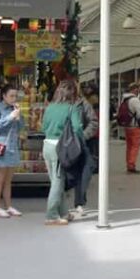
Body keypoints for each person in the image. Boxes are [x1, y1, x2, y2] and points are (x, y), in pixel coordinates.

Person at [41, 80, 84, 226]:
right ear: (72, 93)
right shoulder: (71, 108)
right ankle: (52, 215)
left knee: (56, 181)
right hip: (61, 149)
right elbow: (77, 127)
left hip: (47, 145)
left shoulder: (50, 107)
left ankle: (64, 212)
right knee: (58, 183)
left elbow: (43, 127)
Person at [0, 84, 24, 218]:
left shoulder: (15, 108)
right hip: (1, 146)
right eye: (11, 96)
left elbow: (21, 127)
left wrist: (19, 117)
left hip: (13, 147)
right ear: (4, 96)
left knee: (8, 180)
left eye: (16, 96)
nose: (14, 98)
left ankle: (8, 206)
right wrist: (10, 117)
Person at [73, 85, 98, 217]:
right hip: (65, 144)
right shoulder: (60, 104)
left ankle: (79, 202)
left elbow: (93, 122)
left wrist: (83, 136)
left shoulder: (84, 104)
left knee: (85, 170)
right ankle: (62, 203)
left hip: (82, 144)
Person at [117, 83, 140, 173]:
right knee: (135, 146)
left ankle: (129, 163)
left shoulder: (123, 99)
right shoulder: (135, 100)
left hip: (127, 126)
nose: (138, 91)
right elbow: (139, 113)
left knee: (129, 146)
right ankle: (132, 165)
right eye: (137, 89)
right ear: (134, 89)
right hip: (134, 126)